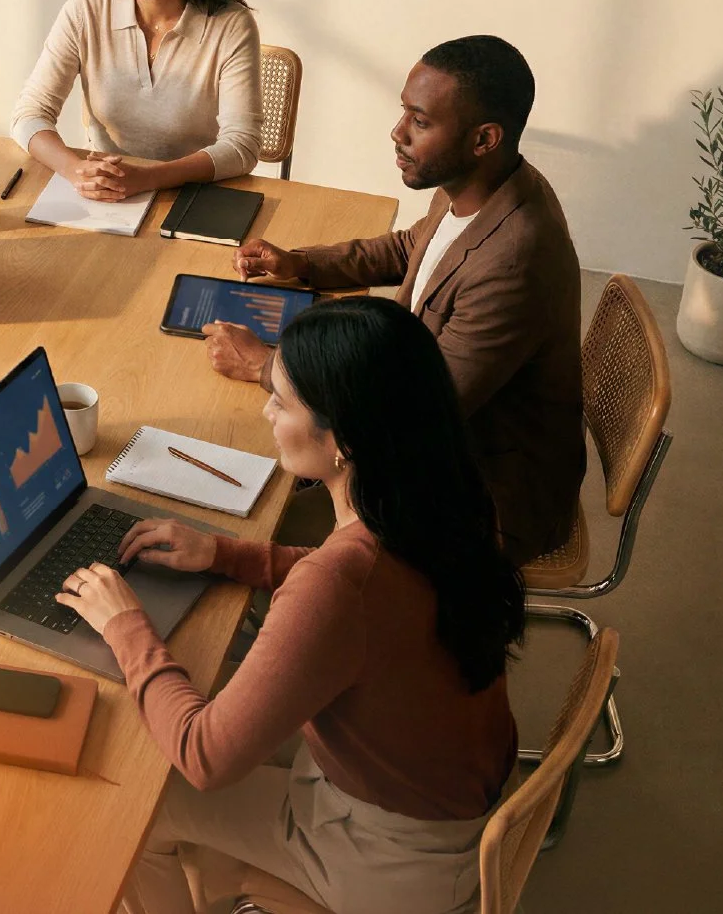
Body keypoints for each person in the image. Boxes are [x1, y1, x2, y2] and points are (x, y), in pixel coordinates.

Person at [59, 298, 524, 914]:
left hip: (389, 861)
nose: (265, 411)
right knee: (201, 693)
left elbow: (205, 756)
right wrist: (229, 553)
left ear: (346, 439)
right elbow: (366, 596)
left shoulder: (339, 583)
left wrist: (127, 629)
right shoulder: (453, 497)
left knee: (137, 798)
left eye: (281, 401)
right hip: (453, 813)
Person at [203, 36, 583, 565]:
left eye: (420, 122)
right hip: (435, 429)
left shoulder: (516, 260)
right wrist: (301, 264)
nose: (397, 133)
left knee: (241, 489)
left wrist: (267, 368)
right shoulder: (481, 184)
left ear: (484, 139)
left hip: (482, 494)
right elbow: (412, 248)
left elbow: (420, 415)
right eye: (404, 112)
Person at [11, 0, 262, 201]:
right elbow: (29, 115)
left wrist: (149, 178)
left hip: (193, 198)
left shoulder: (231, 27)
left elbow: (242, 145)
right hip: (105, 196)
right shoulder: (87, 10)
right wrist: (76, 171)